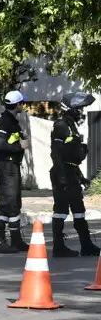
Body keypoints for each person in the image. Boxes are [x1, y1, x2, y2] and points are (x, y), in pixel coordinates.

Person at [49, 92, 100, 257]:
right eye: (78, 109)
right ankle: (58, 247)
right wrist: (62, 177)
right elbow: (56, 154)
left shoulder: (72, 127)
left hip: (72, 173)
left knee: (79, 210)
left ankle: (86, 245)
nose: (81, 112)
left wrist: (80, 176)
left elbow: (72, 159)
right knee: (61, 210)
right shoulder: (61, 126)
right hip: (62, 173)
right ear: (70, 109)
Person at [0, 90, 31, 253]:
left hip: (12, 166)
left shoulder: (11, 120)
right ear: (17, 105)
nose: (23, 105)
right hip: (7, 167)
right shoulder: (5, 121)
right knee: (6, 203)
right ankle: (0, 241)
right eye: (22, 103)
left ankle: (16, 240)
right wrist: (19, 146)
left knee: (13, 203)